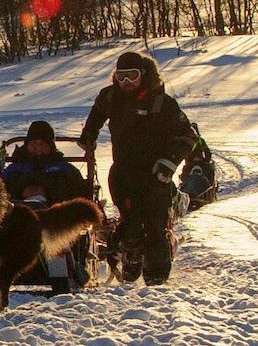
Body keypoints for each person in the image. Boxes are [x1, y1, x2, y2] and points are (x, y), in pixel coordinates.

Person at [78, 51, 197, 285]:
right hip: (122, 173)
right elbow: (98, 111)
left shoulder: (162, 103)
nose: (126, 83)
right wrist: (89, 134)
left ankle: (157, 280)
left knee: (155, 225)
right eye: (121, 76)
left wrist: (168, 163)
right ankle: (131, 258)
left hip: (155, 175)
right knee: (129, 220)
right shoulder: (111, 96)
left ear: (143, 75)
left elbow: (186, 136)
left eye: (131, 76)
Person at [0, 120, 85, 203]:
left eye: (43, 144)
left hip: (57, 212)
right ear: (27, 144)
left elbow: (81, 195)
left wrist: (48, 193)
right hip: (18, 211)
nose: (38, 148)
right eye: (34, 143)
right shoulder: (13, 170)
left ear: (51, 146)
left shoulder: (66, 169)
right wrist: (21, 192)